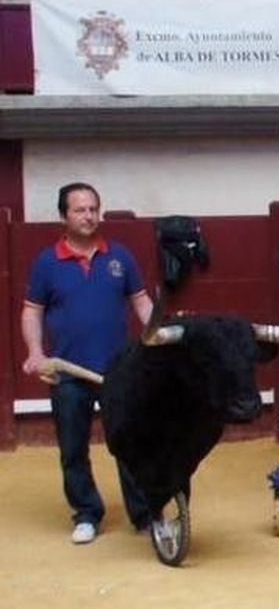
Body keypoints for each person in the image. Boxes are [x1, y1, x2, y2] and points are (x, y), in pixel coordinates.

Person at [20, 182, 154, 544]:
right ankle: (86, 513)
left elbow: (141, 302)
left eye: (93, 209)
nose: (89, 216)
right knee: (72, 449)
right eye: (80, 210)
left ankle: (145, 515)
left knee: (129, 444)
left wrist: (157, 336)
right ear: (63, 216)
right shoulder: (47, 262)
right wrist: (35, 352)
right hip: (68, 372)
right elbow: (32, 311)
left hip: (118, 371)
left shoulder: (120, 257)